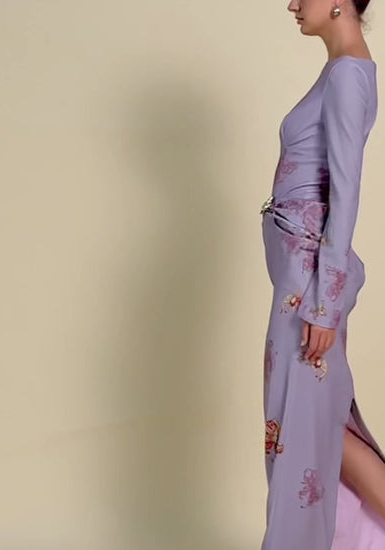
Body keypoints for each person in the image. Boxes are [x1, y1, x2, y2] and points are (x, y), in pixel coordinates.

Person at [260, 1, 385, 548]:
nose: (292, 4)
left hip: (310, 287)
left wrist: (325, 305)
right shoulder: (341, 68)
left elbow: (346, 191)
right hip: (300, 279)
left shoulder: (350, 74)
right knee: (316, 425)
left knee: (305, 425)